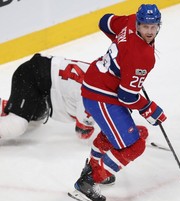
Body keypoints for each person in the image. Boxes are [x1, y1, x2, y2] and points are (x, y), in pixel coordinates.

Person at [68, 4, 167, 201]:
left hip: (100, 85)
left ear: (159, 26)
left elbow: (104, 21)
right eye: (145, 26)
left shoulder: (129, 20)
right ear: (138, 24)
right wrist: (149, 108)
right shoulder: (143, 57)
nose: (149, 31)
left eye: (153, 27)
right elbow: (128, 96)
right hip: (101, 94)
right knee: (135, 144)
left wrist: (121, 47)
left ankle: (95, 167)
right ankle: (89, 181)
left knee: (114, 135)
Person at [0, 54, 149, 141]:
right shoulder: (95, 95)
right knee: (16, 127)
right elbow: (82, 131)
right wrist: (125, 131)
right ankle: (13, 111)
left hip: (43, 80)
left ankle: (6, 106)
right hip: (33, 76)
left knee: (38, 116)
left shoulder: (106, 77)